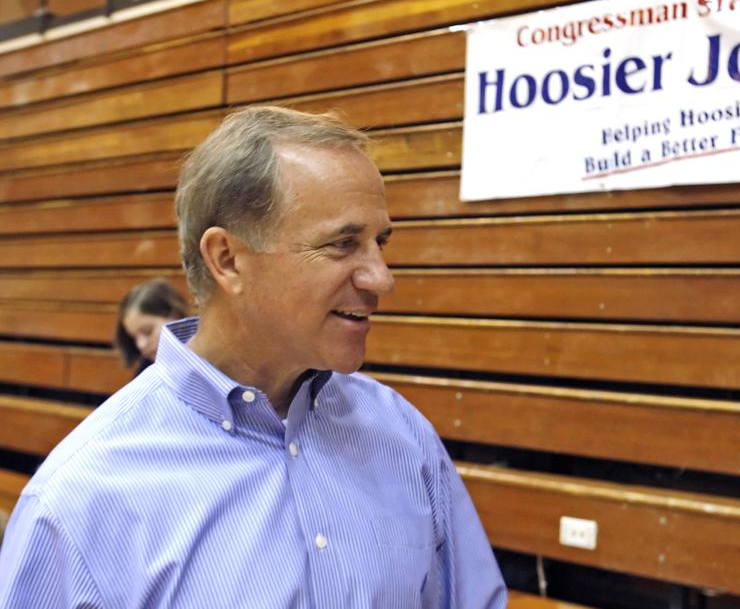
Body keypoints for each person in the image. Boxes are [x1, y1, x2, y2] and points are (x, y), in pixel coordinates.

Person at [0, 106, 507, 608]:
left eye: (380, 242)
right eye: (343, 243)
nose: (382, 278)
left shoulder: (401, 435)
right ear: (227, 260)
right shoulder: (80, 500)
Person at [114, 278, 190, 375]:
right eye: (134, 338)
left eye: (147, 331)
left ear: (176, 314)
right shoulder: (145, 369)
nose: (141, 344)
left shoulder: (205, 356)